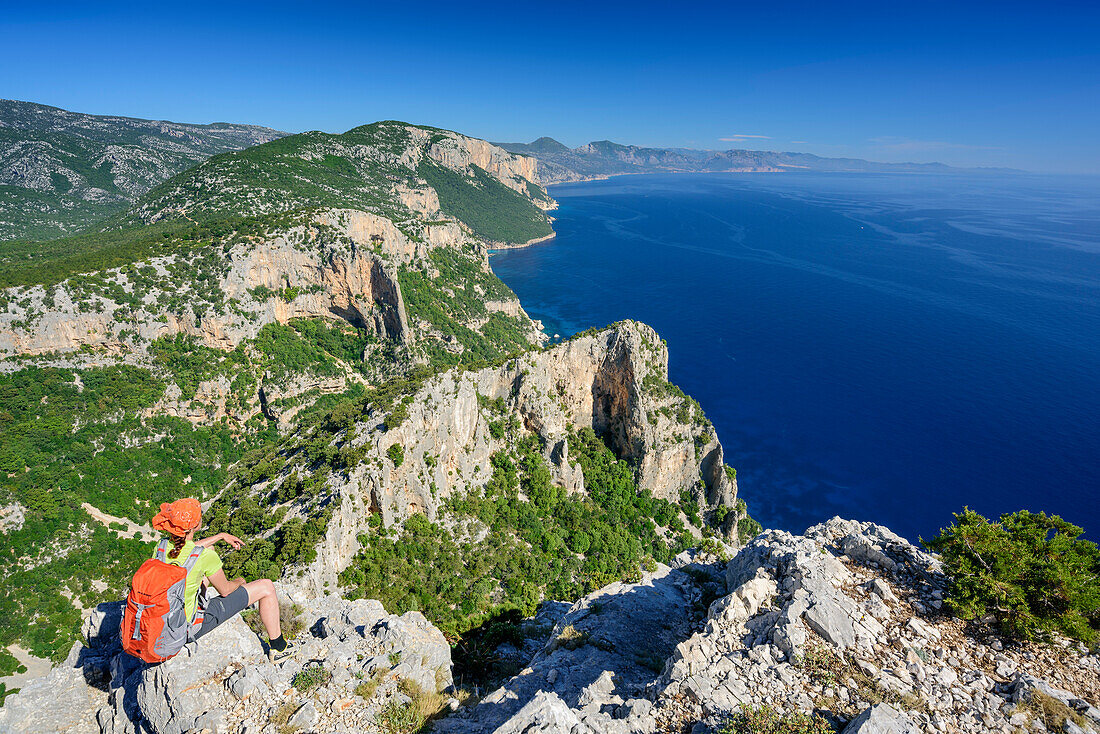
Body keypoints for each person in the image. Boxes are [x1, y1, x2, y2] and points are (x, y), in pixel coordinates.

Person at [150, 498, 297, 663]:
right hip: (185, 628)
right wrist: (240, 581)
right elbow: (225, 590)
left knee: (208, 549)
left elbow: (187, 548)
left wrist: (220, 536)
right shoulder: (206, 557)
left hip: (161, 621)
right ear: (195, 525)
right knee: (267, 587)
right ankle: (279, 647)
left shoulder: (161, 547)